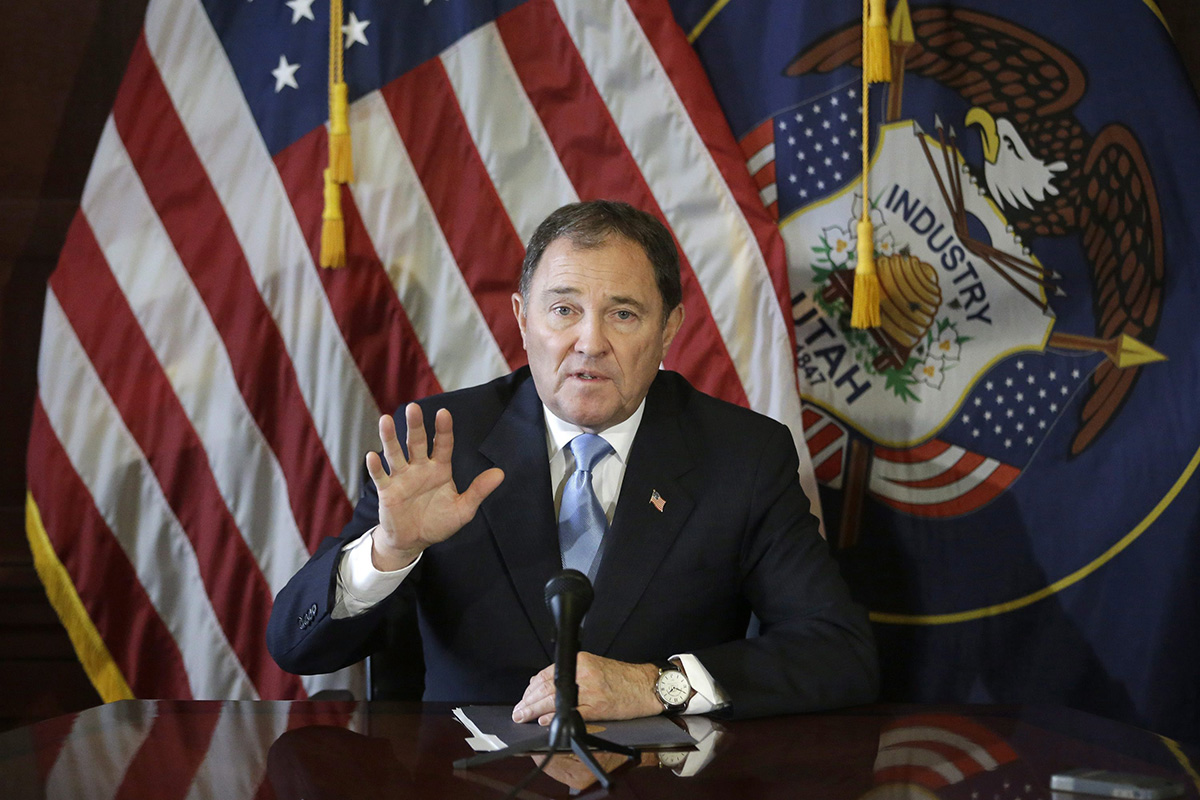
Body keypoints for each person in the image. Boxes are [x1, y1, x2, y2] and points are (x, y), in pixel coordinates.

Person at [267, 200, 878, 721]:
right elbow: (295, 646)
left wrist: (657, 685)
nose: (590, 342)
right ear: (522, 320)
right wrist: (389, 552)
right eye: (563, 310)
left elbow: (839, 653)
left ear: (668, 330)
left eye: (623, 314)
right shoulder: (437, 445)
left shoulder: (742, 455)